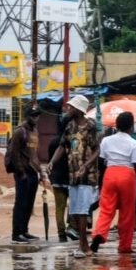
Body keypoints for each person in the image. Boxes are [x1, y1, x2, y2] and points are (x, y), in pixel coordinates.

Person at [91, 112, 136, 254]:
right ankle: (124, 246)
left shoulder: (106, 141)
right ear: (131, 126)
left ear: (116, 125)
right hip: (127, 176)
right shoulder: (134, 143)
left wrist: (101, 182)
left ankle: (99, 233)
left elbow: (101, 163)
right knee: (127, 213)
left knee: (106, 209)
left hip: (110, 174)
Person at [49, 95, 99, 258]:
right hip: (72, 175)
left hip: (86, 176)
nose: (68, 109)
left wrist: (87, 165)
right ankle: (82, 245)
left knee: (83, 210)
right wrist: (52, 162)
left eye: (71, 107)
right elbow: (63, 146)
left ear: (79, 110)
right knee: (76, 210)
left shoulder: (90, 126)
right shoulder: (70, 126)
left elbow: (97, 149)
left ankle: (84, 246)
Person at [9, 103, 43, 244]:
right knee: (21, 203)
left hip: (33, 172)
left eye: (37, 115)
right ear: (27, 116)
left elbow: (34, 154)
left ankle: (24, 230)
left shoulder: (35, 131)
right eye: (33, 116)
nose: (36, 118)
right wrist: (21, 171)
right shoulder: (20, 132)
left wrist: (40, 171)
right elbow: (14, 153)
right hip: (23, 173)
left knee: (29, 203)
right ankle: (16, 233)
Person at [47, 132, 75, 242]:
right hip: (70, 178)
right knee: (73, 205)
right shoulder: (74, 141)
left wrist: (51, 177)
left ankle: (61, 234)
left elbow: (50, 159)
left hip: (57, 178)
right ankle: (71, 228)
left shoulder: (53, 142)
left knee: (59, 207)